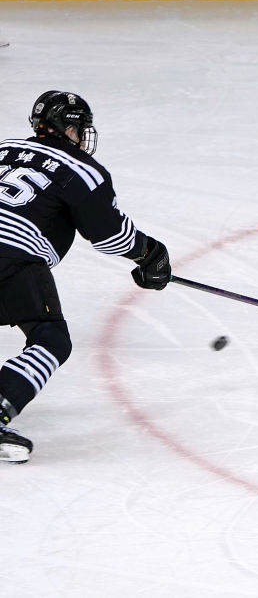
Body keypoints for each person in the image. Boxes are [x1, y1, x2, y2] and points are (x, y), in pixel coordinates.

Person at [0, 91, 172, 462]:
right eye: (80, 129)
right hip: (11, 255)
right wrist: (150, 254)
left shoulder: (4, 148)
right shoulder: (80, 168)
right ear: (69, 128)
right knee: (50, 338)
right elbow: (110, 235)